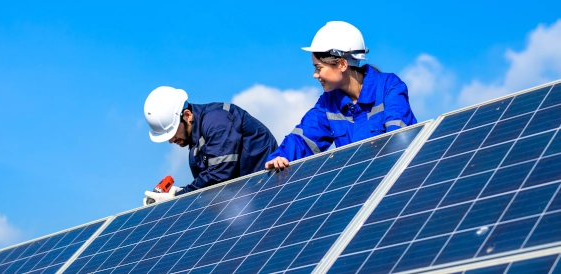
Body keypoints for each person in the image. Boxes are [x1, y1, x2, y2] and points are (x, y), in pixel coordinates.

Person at [265, 21, 417, 169]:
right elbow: (303, 138)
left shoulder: (389, 87)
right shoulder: (328, 104)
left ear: (342, 64)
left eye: (319, 68)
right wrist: (280, 157)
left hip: (396, 177)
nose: (315, 75)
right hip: (361, 187)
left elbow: (399, 138)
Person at [143, 86, 278, 205]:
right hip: (248, 198)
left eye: (172, 133)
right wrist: (178, 192)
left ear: (187, 115)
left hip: (267, 190)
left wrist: (178, 197)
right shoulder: (195, 145)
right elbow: (208, 188)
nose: (171, 140)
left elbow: (220, 174)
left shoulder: (217, 121)